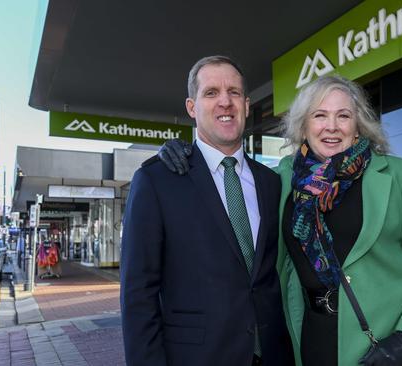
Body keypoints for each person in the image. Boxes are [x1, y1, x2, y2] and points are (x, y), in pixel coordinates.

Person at [159, 75, 402, 366]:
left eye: (344, 116)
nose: (332, 126)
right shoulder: (284, 177)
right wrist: (186, 154)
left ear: (358, 125)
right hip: (311, 341)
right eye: (320, 115)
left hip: (384, 347)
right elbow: (227, 185)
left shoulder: (395, 175)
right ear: (304, 124)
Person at [120, 55, 293, 366]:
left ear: (247, 104)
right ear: (191, 107)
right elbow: (138, 295)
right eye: (211, 93)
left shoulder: (271, 182)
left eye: (234, 93)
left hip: (273, 354)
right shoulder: (156, 181)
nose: (225, 102)